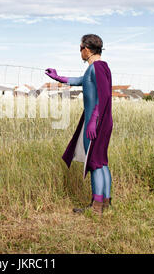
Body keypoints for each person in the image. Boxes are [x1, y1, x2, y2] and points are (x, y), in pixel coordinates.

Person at [45, 34, 113, 216]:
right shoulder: (99, 67)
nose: (80, 51)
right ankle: (105, 203)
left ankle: (96, 207)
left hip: (96, 122)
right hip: (102, 121)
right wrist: (58, 77)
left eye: (80, 48)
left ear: (87, 49)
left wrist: (93, 120)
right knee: (102, 162)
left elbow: (103, 95)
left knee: (95, 163)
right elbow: (80, 81)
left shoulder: (97, 68)